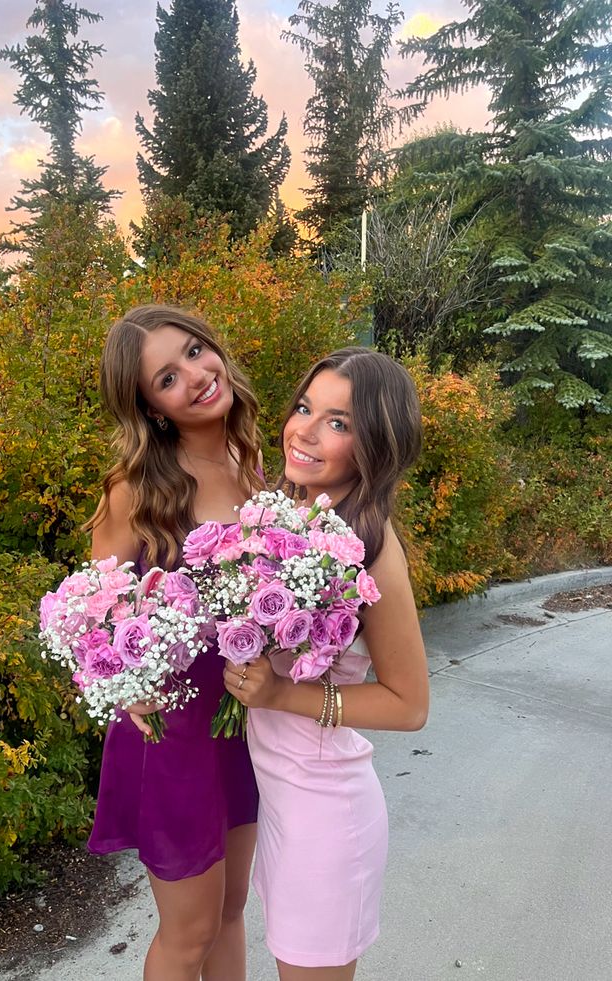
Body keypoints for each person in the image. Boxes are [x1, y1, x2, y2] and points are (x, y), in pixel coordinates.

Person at [224, 347, 430, 980]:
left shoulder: (369, 547)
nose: (305, 431)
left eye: (338, 422)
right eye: (305, 407)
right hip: (280, 800)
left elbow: (409, 705)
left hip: (325, 813)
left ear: (375, 447)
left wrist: (283, 695)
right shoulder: (290, 518)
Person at [85, 304, 264, 981]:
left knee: (231, 909)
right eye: (167, 376)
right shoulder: (135, 489)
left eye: (195, 351)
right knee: (188, 932)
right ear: (151, 408)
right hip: (174, 733)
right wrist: (126, 685)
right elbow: (91, 609)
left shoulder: (253, 461)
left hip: (244, 720)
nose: (194, 374)